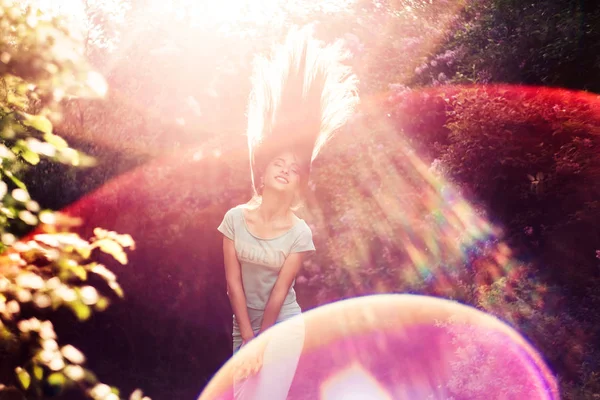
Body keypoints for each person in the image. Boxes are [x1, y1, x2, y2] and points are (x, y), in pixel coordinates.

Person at [217, 25, 359, 399]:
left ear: (298, 183)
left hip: (282, 326)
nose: (284, 169)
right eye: (278, 163)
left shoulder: (299, 233)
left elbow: (280, 292)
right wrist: (248, 338)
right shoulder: (234, 219)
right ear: (262, 172)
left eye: (294, 168)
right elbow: (233, 285)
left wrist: (262, 341)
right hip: (243, 326)